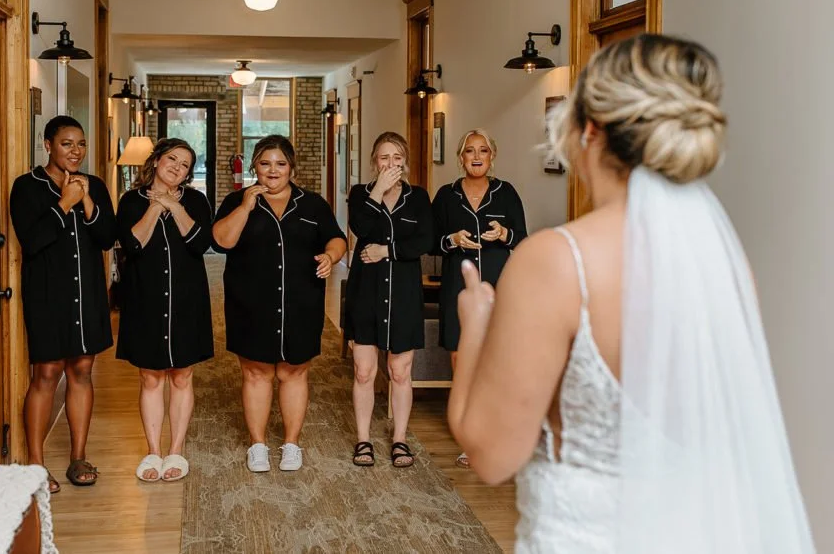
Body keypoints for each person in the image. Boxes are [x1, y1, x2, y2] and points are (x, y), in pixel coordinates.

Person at [447, 34, 815, 553]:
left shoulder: (557, 262)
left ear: (590, 131)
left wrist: (477, 324)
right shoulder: (729, 267)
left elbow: (489, 455)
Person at [212, 135, 346, 473]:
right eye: (265, 163)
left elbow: (337, 238)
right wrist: (245, 206)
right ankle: (257, 445)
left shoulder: (313, 204)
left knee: (293, 371)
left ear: (292, 167)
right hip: (250, 302)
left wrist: (331, 256)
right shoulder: (235, 200)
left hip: (301, 301)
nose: (273, 170)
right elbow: (222, 241)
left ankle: (291, 444)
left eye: (280, 163)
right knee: (256, 372)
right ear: (254, 166)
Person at [9, 115, 116, 492]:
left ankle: (78, 456)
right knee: (47, 373)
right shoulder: (26, 186)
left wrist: (85, 198)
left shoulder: (95, 186)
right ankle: (36, 465)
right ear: (48, 145)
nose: (76, 151)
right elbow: (33, 240)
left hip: (87, 292)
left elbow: (106, 238)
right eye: (68, 143)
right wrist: (64, 204)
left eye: (81, 144)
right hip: (47, 294)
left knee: (82, 371)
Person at [115, 138, 214, 483]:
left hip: (187, 299)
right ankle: (153, 451)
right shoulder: (131, 201)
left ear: (188, 173)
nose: (176, 167)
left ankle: (176, 449)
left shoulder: (197, 201)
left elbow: (202, 243)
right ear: (156, 160)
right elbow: (132, 245)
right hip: (145, 298)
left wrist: (175, 207)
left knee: (182, 375)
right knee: (151, 376)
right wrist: (156, 208)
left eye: (185, 164)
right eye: (172, 158)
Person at [432, 129, 526, 468]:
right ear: (460, 157)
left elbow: (522, 237)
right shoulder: (446, 195)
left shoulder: (506, 193)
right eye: (469, 150)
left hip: (497, 285)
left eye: (483, 150)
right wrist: (453, 239)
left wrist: (504, 234)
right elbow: (431, 241)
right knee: (461, 361)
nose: (476, 156)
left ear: (492, 156)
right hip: (457, 286)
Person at [345, 132, 433, 469]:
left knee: (400, 372)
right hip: (366, 293)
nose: (390, 164)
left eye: (397, 158)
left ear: (406, 162)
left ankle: (399, 439)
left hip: (405, 295)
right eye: (384, 158)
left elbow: (423, 240)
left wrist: (388, 251)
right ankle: (363, 439)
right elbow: (360, 227)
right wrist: (378, 191)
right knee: (364, 372)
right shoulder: (359, 194)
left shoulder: (419, 198)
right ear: (374, 162)